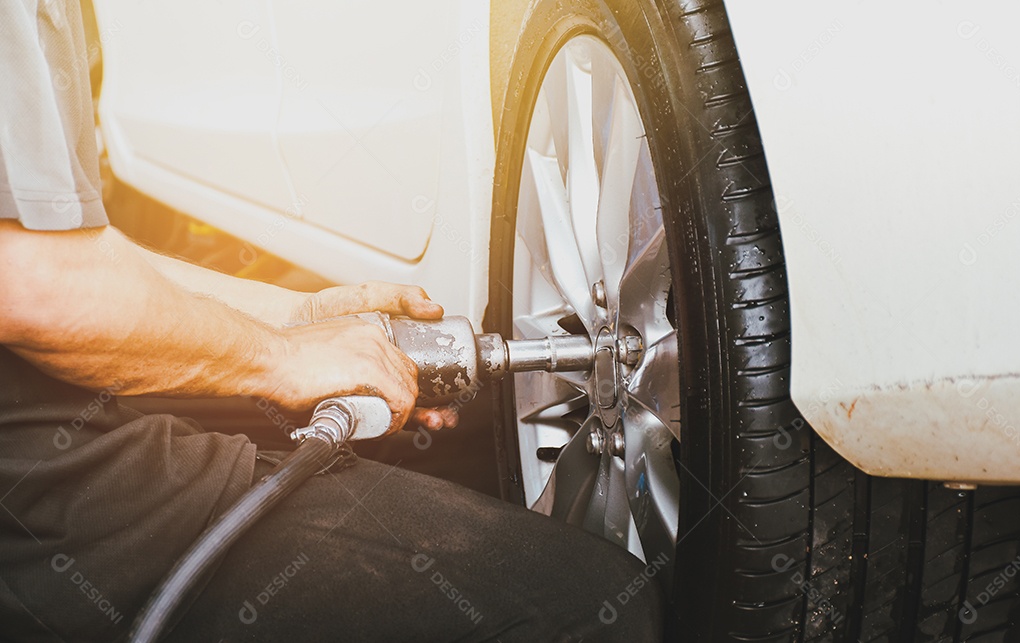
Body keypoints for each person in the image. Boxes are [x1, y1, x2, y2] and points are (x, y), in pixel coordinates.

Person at [0, 2, 664, 641]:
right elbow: (34, 282)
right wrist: (279, 360)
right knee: (593, 603)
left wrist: (298, 318)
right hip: (37, 509)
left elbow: (61, 254)